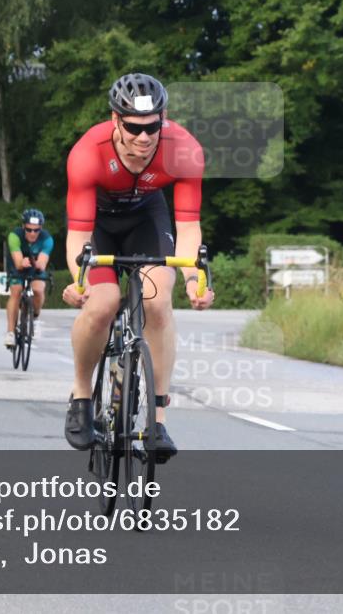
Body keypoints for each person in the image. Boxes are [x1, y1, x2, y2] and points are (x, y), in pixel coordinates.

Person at [60, 73, 215, 460]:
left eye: (152, 128)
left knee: (158, 301)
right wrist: (78, 281)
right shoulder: (87, 153)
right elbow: (78, 235)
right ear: (115, 120)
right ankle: (81, 395)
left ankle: (157, 421)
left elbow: (189, 228)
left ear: (163, 120)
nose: (144, 139)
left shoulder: (185, 150)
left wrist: (195, 279)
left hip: (147, 218)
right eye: (133, 128)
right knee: (102, 302)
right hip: (98, 222)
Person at [4, 208, 53, 347]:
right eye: (29, 229)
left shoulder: (47, 239)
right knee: (16, 291)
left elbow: (42, 262)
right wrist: (21, 263)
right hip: (17, 264)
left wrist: (38, 264)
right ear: (23, 227)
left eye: (36, 230)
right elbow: (18, 262)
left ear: (41, 228)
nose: (32, 233)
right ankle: (10, 333)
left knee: (38, 290)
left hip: (35, 266)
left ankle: (35, 319)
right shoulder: (14, 236)